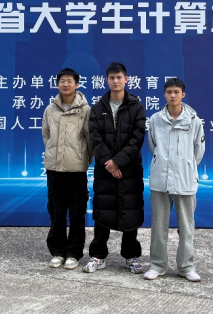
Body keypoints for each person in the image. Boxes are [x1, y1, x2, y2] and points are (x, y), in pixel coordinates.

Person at [83, 62, 147, 274]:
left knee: (131, 211)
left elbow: (138, 137)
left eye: (119, 77)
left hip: (130, 169)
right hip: (105, 169)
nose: (116, 81)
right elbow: (95, 138)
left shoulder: (137, 106)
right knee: (103, 211)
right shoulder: (98, 107)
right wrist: (110, 164)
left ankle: (131, 256)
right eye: (112, 78)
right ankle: (98, 256)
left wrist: (118, 161)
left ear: (126, 79)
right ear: (107, 80)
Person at [143, 78, 205, 282]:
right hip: (160, 178)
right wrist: (163, 162)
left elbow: (198, 151)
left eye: (176, 92)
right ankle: (157, 265)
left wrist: (186, 166)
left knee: (186, 226)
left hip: (185, 179)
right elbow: (153, 146)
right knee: (158, 225)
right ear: (164, 94)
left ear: (183, 94)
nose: (172, 95)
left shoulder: (194, 121)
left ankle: (186, 266)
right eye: (169, 92)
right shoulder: (155, 119)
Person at [42, 68, 93, 270]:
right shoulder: (50, 109)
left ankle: (74, 253)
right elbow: (46, 135)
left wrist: (83, 158)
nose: (65, 84)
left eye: (69, 81)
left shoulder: (85, 110)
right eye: (62, 81)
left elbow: (90, 138)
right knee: (56, 212)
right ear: (57, 84)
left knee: (76, 213)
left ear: (77, 84)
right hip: (54, 169)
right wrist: (54, 154)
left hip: (76, 169)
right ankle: (57, 251)